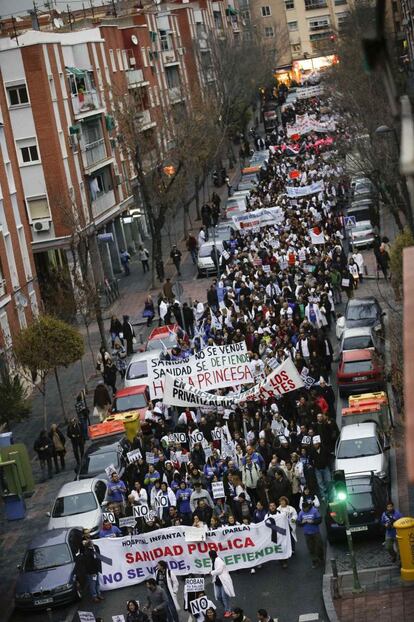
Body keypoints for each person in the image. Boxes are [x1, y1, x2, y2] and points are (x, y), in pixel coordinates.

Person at [75, 538, 104, 603]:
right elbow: (88, 564)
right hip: (91, 572)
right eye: (92, 544)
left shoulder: (93, 550)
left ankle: (98, 594)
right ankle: (94, 596)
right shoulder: (87, 553)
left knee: (97, 583)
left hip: (95, 570)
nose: (93, 545)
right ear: (89, 545)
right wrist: (92, 572)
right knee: (92, 584)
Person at [297, 500, 324, 568]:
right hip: (307, 533)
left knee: (319, 546)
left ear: (308, 507)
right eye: (303, 509)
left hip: (315, 532)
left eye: (305, 509)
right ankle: (314, 561)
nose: (304, 510)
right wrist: (302, 522)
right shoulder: (301, 513)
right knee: (311, 548)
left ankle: (321, 558)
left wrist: (313, 521)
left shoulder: (314, 510)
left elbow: (320, 519)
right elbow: (298, 523)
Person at [208, 550, 235, 617]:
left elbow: (219, 571)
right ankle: (226, 607)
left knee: (224, 597)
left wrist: (211, 572)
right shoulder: (213, 561)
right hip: (217, 582)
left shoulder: (219, 560)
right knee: (218, 596)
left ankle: (228, 610)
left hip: (223, 581)